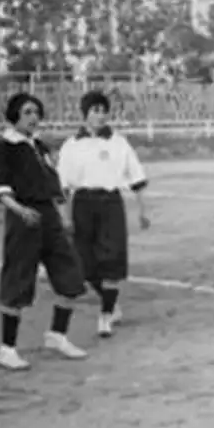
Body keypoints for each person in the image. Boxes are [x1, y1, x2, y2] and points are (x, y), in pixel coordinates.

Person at [0, 92, 88, 371]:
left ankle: (57, 335)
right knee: (18, 280)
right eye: (27, 112)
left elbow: (53, 187)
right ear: (15, 116)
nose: (34, 118)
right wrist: (20, 210)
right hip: (23, 217)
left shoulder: (40, 146)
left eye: (36, 112)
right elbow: (0, 187)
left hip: (49, 217)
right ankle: (7, 349)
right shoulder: (5, 147)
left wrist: (62, 217)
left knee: (70, 275)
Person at [56, 90, 150, 339]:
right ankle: (111, 302)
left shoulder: (118, 142)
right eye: (94, 111)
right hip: (83, 205)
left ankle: (106, 315)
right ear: (85, 114)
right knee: (85, 265)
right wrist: (65, 217)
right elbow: (63, 186)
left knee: (112, 260)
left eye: (103, 111)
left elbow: (136, 177)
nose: (100, 116)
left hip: (110, 203)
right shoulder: (72, 145)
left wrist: (142, 210)